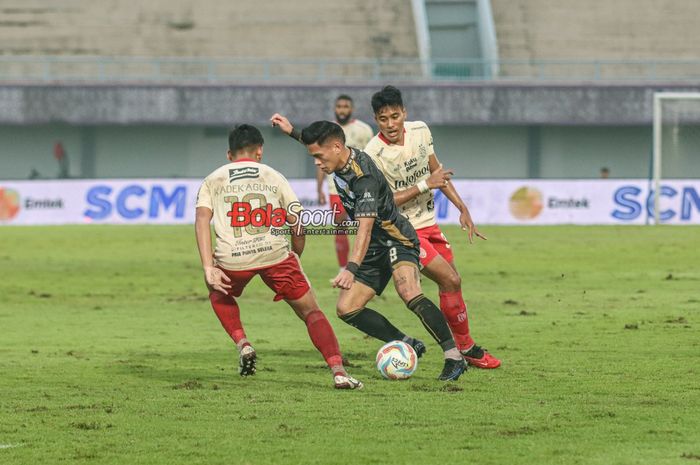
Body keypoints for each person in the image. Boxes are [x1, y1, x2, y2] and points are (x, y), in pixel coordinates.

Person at [271, 114, 467, 381]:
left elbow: (363, 227)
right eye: (313, 157)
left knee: (409, 292)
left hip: (397, 238)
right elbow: (316, 142)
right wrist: (291, 131)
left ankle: (454, 357)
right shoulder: (336, 155)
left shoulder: (362, 178)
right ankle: (405, 342)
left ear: (336, 148)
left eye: (319, 157)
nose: (317, 163)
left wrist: (351, 268)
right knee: (347, 309)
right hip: (375, 247)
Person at [194, 124, 362, 390]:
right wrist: (296, 253)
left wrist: (207, 267)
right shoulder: (274, 176)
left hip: (233, 258)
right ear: (260, 151)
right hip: (275, 254)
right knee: (311, 312)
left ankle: (243, 343)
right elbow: (297, 222)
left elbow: (202, 219)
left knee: (217, 290)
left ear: (229, 154)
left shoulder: (213, 179)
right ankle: (338, 371)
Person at [363, 85, 501, 369]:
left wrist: (462, 208)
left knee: (451, 284)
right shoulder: (373, 153)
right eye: (383, 119)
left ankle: (463, 348)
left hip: (430, 224)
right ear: (376, 120)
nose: (390, 124)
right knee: (451, 280)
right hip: (402, 230)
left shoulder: (421, 131)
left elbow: (437, 173)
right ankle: (464, 349)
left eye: (395, 116)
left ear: (405, 113)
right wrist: (425, 184)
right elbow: (384, 202)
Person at [316, 95, 374, 273]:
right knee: (340, 226)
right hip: (336, 188)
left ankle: (364, 265)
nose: (342, 110)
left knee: (366, 227)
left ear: (352, 109)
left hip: (361, 187)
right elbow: (321, 161)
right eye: (339, 106)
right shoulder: (326, 131)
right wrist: (319, 189)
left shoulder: (364, 130)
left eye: (346, 106)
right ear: (335, 108)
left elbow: (371, 159)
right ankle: (343, 268)